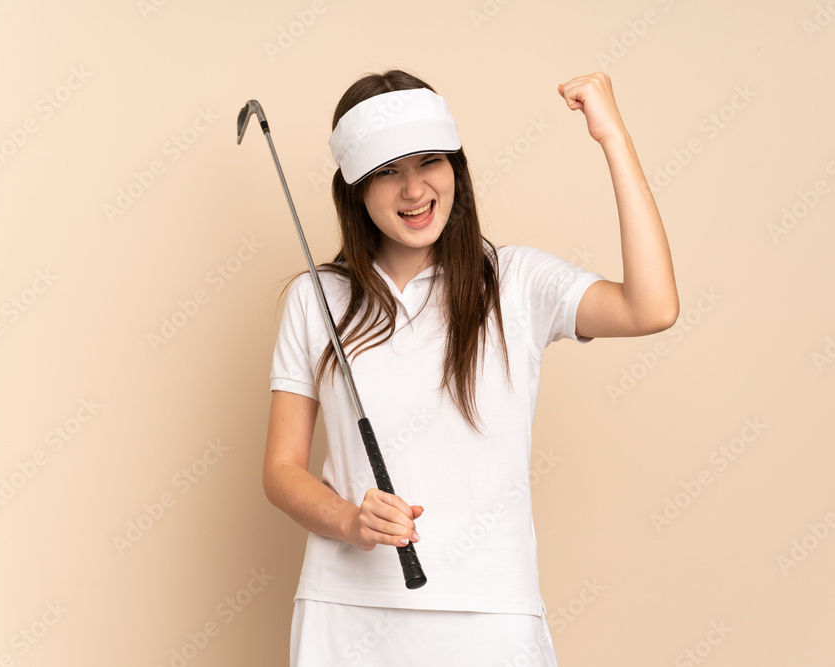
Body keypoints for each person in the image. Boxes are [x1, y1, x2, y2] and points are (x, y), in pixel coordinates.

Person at [263, 69, 678, 666]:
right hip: (346, 614)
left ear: (455, 167)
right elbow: (281, 470)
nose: (414, 189)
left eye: (429, 161)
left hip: (491, 612)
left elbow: (652, 307)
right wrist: (350, 521)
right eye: (387, 170)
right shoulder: (316, 297)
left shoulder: (517, 281)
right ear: (355, 189)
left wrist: (613, 137)